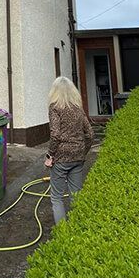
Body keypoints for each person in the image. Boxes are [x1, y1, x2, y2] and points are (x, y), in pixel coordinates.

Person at [44, 76, 94, 224]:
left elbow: (55, 134)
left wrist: (50, 155)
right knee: (76, 195)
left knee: (57, 197)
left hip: (61, 158)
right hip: (78, 157)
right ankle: (77, 229)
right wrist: (83, 151)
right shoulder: (78, 109)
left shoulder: (55, 107)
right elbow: (90, 134)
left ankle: (62, 232)